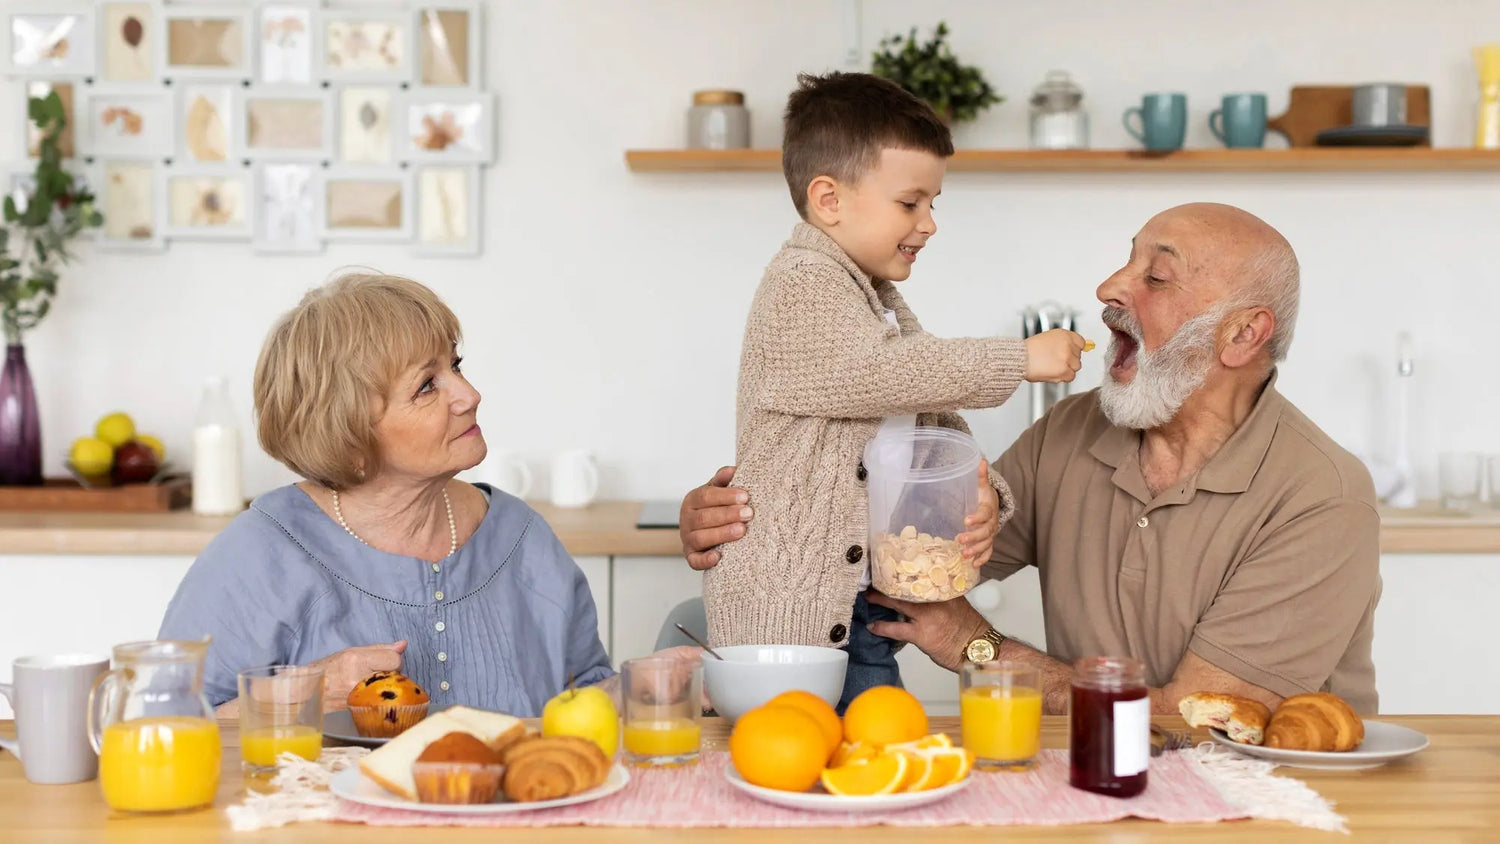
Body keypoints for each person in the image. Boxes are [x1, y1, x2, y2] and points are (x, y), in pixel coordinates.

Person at [682, 202, 1381, 714]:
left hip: (1273, 804)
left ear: (1242, 335)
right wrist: (750, 520)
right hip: (1096, 788)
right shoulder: (1075, 432)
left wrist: (977, 646)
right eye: (1126, 258)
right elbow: (901, 555)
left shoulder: (1321, 494)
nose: (1110, 286)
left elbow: (1197, 722)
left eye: (1156, 278)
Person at [704, 71, 1085, 708]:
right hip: (787, 615)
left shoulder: (875, 296)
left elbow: (931, 427)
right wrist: (1019, 358)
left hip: (859, 607)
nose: (929, 223)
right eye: (911, 203)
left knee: (876, 759)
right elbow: (881, 372)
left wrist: (989, 499)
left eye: (934, 204)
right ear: (830, 200)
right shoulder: (803, 280)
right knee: (801, 757)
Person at [159, 272, 692, 716]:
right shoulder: (262, 554)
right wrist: (305, 691)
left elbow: (581, 704)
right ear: (350, 435)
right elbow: (164, 724)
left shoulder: (522, 538)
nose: (469, 395)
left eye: (455, 366)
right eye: (426, 386)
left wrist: (648, 686)